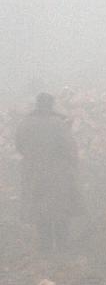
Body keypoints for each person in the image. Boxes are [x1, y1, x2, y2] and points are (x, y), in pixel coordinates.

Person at [14, 93, 81, 253]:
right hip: (58, 175)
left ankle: (45, 249)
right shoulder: (59, 124)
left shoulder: (25, 123)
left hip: (33, 173)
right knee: (60, 211)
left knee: (40, 211)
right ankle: (62, 248)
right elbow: (70, 149)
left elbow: (20, 147)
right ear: (51, 105)